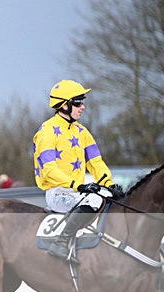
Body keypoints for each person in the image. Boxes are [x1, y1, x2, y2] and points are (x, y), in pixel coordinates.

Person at [33, 80, 121, 263]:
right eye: (78, 102)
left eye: (83, 101)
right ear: (64, 105)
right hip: (58, 193)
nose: (83, 106)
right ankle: (60, 242)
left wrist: (109, 184)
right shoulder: (47, 131)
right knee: (96, 199)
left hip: (77, 192)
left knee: (108, 197)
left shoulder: (82, 131)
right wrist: (78, 185)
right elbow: (49, 169)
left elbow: (96, 162)